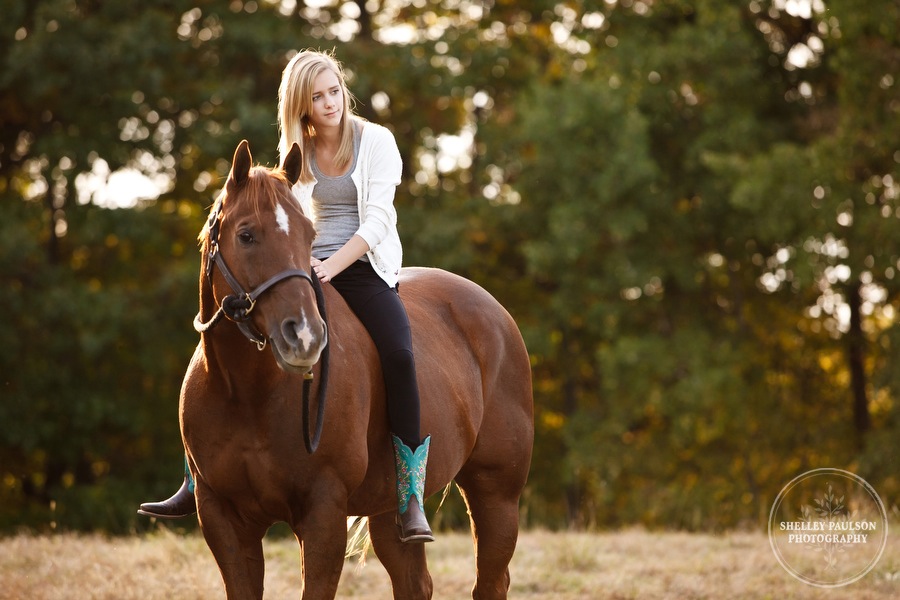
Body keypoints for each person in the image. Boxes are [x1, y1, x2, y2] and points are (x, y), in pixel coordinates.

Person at [138, 49, 433, 544]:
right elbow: (285, 220)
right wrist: (297, 266)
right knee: (220, 342)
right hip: (300, 266)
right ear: (301, 106)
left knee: (400, 353)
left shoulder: (376, 141)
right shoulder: (295, 147)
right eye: (317, 97)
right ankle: (196, 474)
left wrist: (329, 267)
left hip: (362, 267)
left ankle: (410, 494)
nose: (330, 103)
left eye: (334, 91)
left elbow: (379, 220)